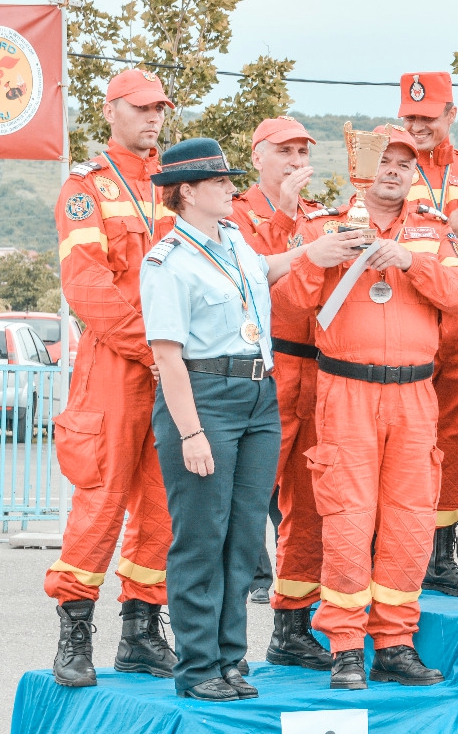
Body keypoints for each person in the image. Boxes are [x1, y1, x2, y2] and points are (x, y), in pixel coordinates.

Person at [273, 126, 458, 689]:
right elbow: (287, 305)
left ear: (415, 173)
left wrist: (412, 263)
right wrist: (318, 259)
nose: (393, 170)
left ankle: (394, 643)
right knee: (347, 518)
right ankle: (345, 646)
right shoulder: (325, 227)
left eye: (404, 163)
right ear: (361, 166)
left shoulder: (433, 231)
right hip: (346, 390)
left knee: (409, 519)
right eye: (384, 160)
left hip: (415, 394)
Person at [140, 137, 309, 702]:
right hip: (204, 396)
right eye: (219, 182)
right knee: (201, 537)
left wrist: (316, 251)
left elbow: (265, 272)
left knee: (242, 538)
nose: (230, 188)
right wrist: (190, 432)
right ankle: (197, 668)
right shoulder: (167, 261)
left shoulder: (233, 239)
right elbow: (167, 357)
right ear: (187, 192)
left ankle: (230, 660)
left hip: (258, 393)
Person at [44, 69, 177, 687]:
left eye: (160, 109)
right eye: (142, 108)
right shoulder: (85, 188)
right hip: (116, 367)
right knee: (100, 503)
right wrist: (153, 349)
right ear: (111, 110)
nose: (154, 118)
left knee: (164, 504)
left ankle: (141, 631)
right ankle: (74, 633)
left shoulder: (177, 185)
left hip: (174, 367)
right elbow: (87, 286)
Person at [230, 116, 331, 670]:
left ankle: (293, 627)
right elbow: (253, 279)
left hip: (317, 370)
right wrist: (286, 213)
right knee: (245, 503)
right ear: (258, 156)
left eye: (302, 152)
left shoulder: (319, 217)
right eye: (284, 151)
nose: (296, 161)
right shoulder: (234, 213)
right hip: (264, 368)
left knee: (309, 506)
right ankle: (221, 639)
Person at [398, 71, 458, 597]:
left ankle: (442, 555)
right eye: (410, 117)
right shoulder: (387, 168)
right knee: (400, 440)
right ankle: (392, 552)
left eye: (428, 117)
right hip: (407, 323)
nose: (417, 126)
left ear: (451, 115)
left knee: (453, 438)